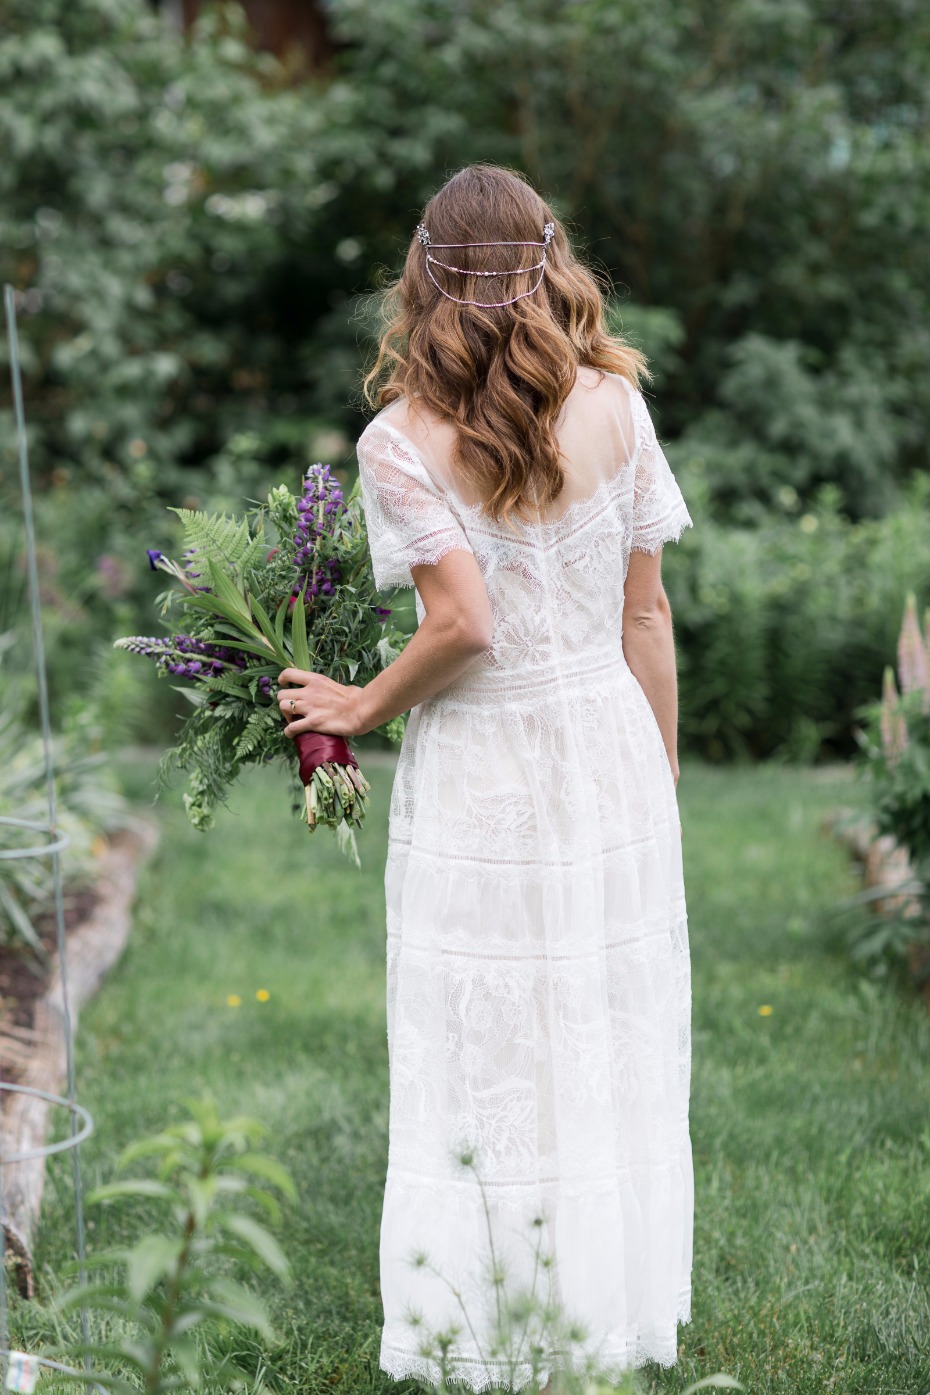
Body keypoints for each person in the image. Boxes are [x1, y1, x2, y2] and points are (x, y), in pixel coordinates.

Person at [276, 163, 693, 1390]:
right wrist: (652, 779)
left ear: (421, 277)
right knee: (594, 1024)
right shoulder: (618, 401)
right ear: (552, 261)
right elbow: (648, 614)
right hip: (606, 736)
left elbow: (463, 627)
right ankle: (592, 1313)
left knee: (488, 1036)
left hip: (488, 758)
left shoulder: (402, 440)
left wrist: (355, 703)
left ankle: (497, 1326)